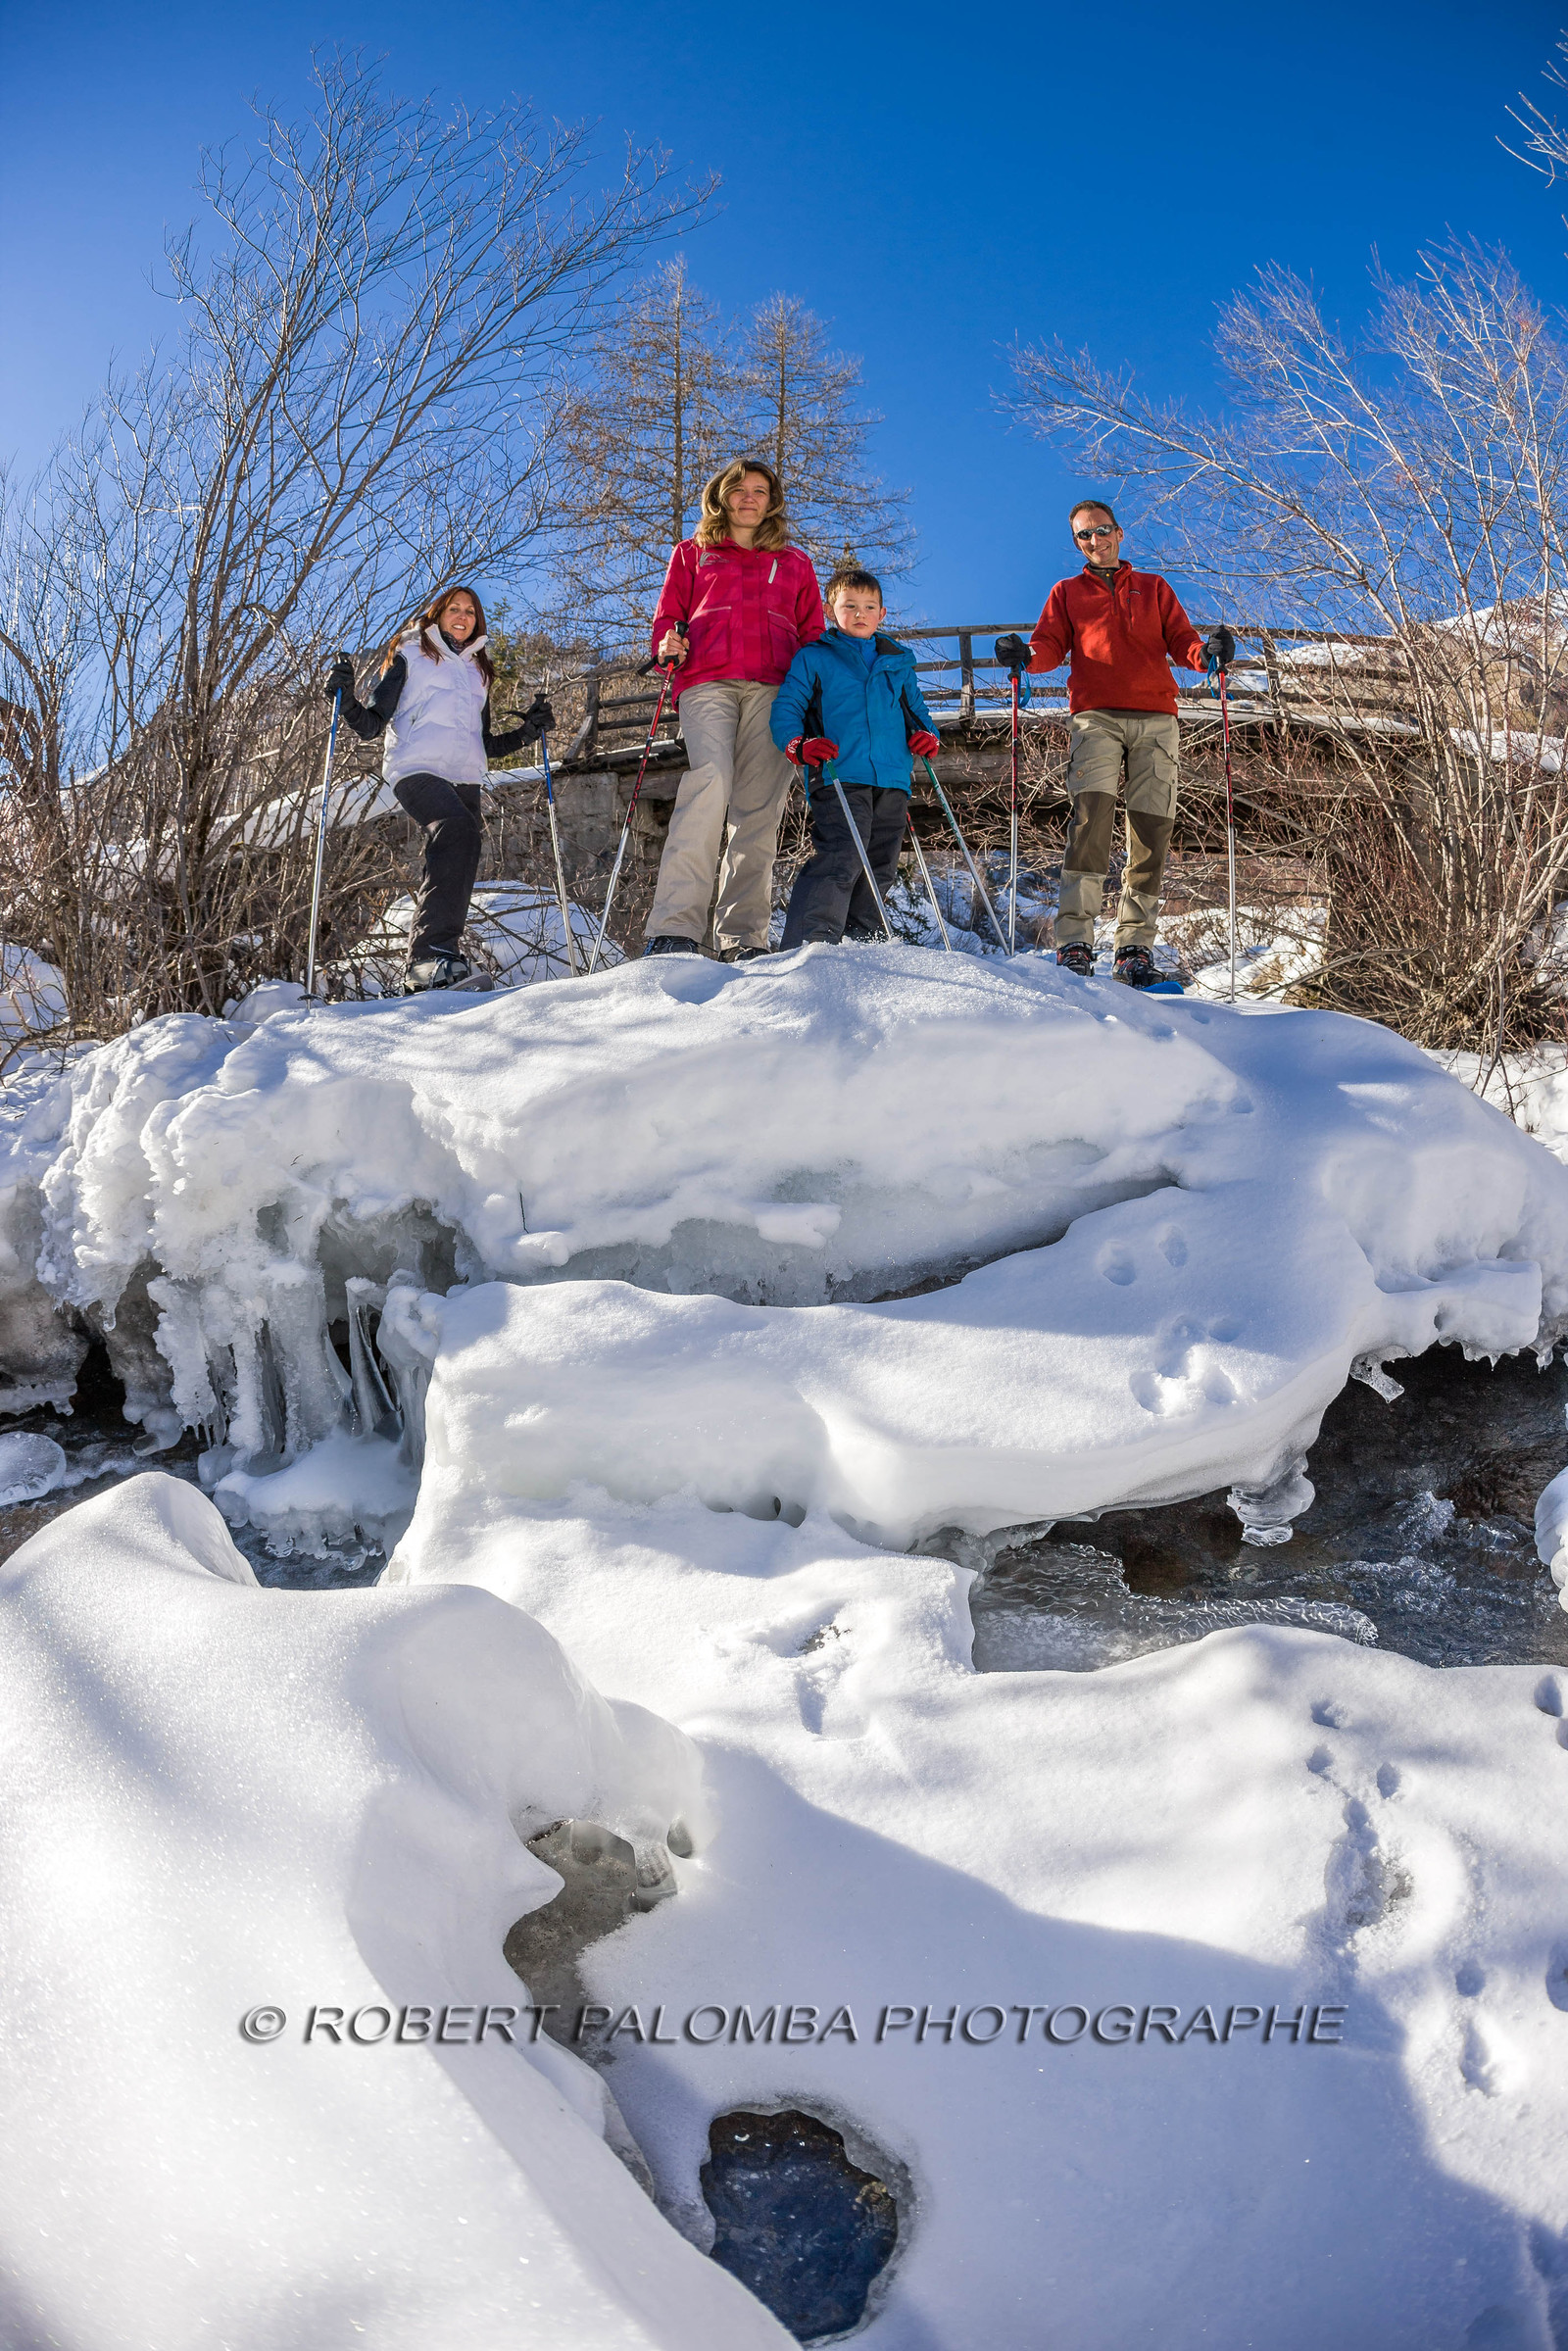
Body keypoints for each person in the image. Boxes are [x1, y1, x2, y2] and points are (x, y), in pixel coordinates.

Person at [996, 502, 1232, 988]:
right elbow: (1048, 647)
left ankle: (1134, 949)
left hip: (1156, 720)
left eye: (1101, 531)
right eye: (1084, 536)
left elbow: (1183, 641)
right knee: (1091, 823)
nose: (1094, 541)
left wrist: (1205, 653)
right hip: (1095, 718)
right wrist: (1024, 655)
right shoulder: (1067, 592)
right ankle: (1076, 942)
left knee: (1151, 833)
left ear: (1119, 534)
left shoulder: (1154, 588)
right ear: (1077, 543)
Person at [326, 586, 553, 992]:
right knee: (456, 830)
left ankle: (438, 959)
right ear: (438, 614)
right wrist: (345, 702)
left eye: (470, 611)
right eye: (454, 609)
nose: (463, 616)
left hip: (465, 776)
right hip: (415, 766)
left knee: (460, 851)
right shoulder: (410, 654)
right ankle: (428, 958)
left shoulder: (478, 672)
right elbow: (373, 724)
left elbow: (484, 744)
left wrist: (528, 731)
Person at [643, 459, 825, 959]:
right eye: (739, 489)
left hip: (777, 689)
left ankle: (742, 937)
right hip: (707, 682)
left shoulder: (794, 564)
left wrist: (819, 691)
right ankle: (675, 927)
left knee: (758, 810)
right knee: (709, 783)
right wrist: (667, 645)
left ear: (772, 501)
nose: (749, 498)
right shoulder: (693, 553)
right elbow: (668, 620)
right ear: (721, 496)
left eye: (760, 491)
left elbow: (813, 636)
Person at [769, 566, 940, 946]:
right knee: (843, 854)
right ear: (831, 611)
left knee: (880, 863)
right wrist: (799, 744)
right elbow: (787, 707)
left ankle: (862, 944)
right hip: (839, 772)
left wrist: (928, 736)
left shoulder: (898, 660)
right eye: (850, 606)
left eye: (869, 606)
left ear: (882, 614)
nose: (860, 614)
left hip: (893, 776)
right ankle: (810, 942)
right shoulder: (816, 657)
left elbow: (918, 713)